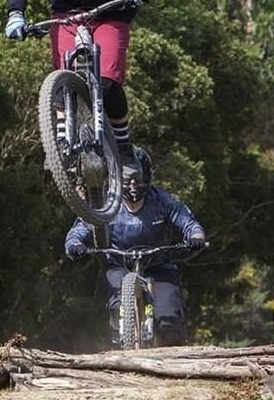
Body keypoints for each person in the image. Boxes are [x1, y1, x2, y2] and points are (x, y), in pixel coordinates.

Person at [5, 0, 190, 176]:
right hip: (69, 13)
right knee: (63, 77)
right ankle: (62, 145)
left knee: (107, 79)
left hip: (113, 14)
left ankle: (123, 145)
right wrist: (16, 13)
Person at [64, 147, 206, 346]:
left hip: (159, 267)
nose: (132, 186)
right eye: (128, 180)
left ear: (148, 178)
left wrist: (196, 237)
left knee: (170, 322)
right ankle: (123, 347)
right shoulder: (105, 202)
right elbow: (80, 228)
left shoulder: (162, 200)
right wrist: (75, 244)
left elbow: (189, 223)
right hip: (119, 265)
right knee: (116, 309)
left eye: (138, 180)